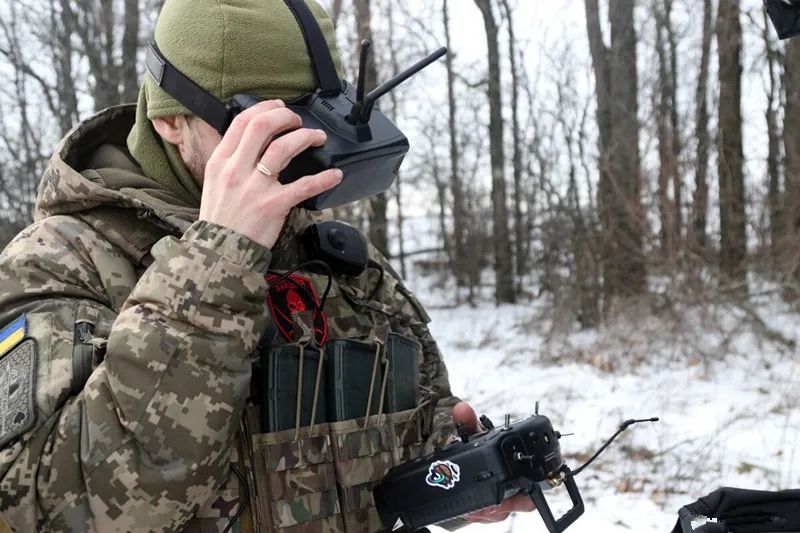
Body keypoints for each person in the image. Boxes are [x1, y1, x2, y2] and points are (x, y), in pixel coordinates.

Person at [0, 1, 532, 531]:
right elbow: (44, 510)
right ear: (170, 120)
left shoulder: (333, 258)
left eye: (316, 123)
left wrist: (455, 472)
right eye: (270, 130)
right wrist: (215, 264)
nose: (303, 158)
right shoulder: (57, 263)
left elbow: (407, 433)